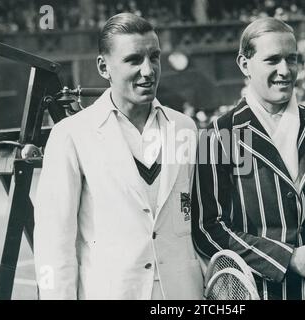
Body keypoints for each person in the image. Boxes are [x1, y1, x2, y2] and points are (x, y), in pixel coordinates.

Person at [191, 17, 305, 300]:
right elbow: (207, 228)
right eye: (272, 60)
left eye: (292, 59)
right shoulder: (216, 134)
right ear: (244, 64)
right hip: (265, 292)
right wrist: (288, 259)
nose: (285, 70)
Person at [34, 13, 203, 300]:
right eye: (134, 60)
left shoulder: (184, 127)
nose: (148, 71)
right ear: (104, 67)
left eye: (155, 57)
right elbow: (53, 242)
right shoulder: (70, 134)